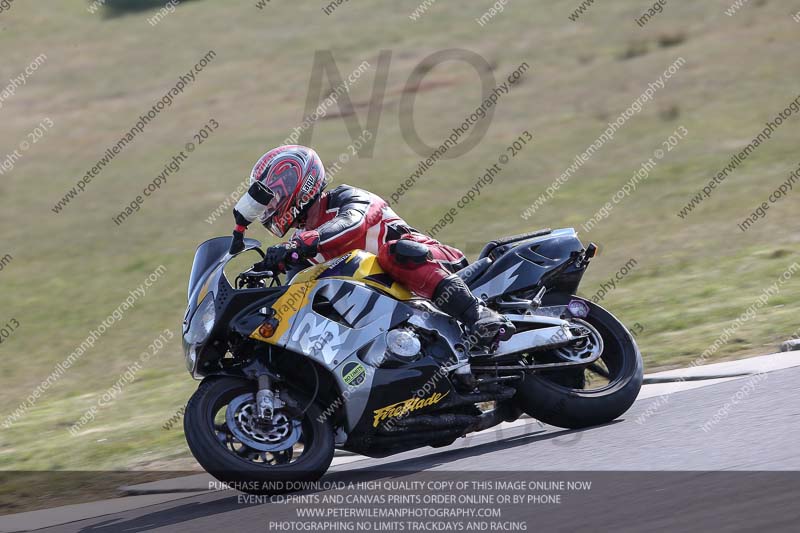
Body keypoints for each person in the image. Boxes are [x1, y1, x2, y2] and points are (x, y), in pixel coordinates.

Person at [228, 145, 514, 347]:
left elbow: (353, 222)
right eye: (271, 200)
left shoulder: (346, 199)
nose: (273, 206)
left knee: (394, 252)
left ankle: (478, 314)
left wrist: (304, 243)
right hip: (398, 307)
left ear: (299, 185)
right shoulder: (303, 249)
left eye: (277, 196)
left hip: (437, 266)